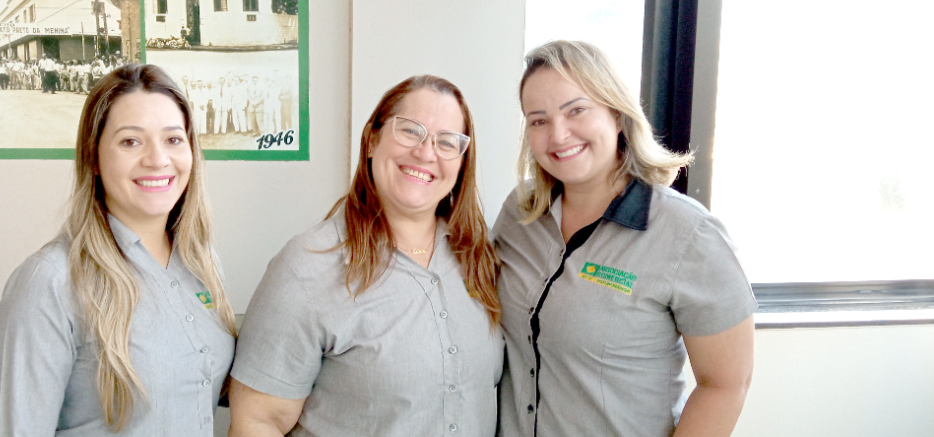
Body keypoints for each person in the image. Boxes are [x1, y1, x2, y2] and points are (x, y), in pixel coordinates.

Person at [494, 40, 756, 437]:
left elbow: (725, 385)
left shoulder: (689, 235)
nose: (559, 134)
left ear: (616, 113)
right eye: (538, 120)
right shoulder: (521, 211)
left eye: (576, 110)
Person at [229, 75, 503, 437]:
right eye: (410, 131)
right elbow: (257, 423)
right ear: (372, 140)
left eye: (447, 141)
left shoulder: (477, 256)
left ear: (462, 162)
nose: (426, 152)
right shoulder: (306, 267)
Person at [0, 64, 237, 436]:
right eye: (130, 141)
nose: (158, 159)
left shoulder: (202, 263)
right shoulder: (51, 282)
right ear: (93, 157)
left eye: (173, 140)